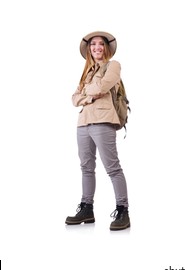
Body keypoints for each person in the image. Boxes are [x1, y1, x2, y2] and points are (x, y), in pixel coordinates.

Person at [66, 31, 130, 231]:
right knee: (86, 167)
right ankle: (87, 208)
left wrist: (87, 93)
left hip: (103, 120)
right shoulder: (87, 72)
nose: (96, 47)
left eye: (100, 44)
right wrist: (88, 96)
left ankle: (123, 210)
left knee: (112, 167)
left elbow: (103, 86)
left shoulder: (113, 65)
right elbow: (74, 98)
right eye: (93, 44)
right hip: (83, 123)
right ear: (89, 49)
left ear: (106, 48)